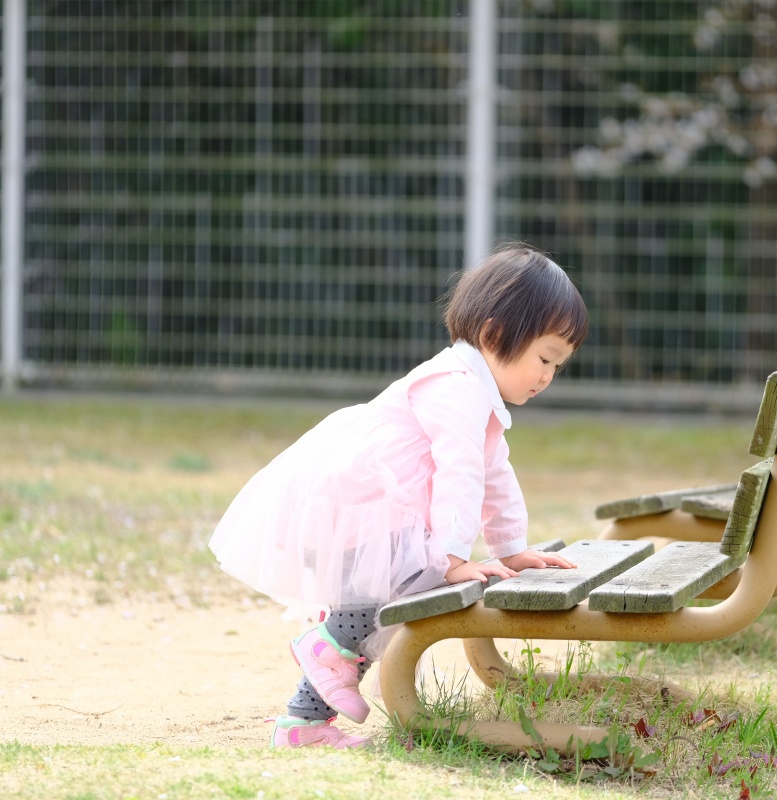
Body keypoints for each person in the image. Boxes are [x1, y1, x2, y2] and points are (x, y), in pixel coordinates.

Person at [209, 244, 588, 749]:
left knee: (367, 610)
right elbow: (461, 473)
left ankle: (303, 725)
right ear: (496, 335)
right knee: (381, 599)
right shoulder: (456, 387)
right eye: (544, 358)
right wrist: (452, 558)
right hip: (353, 508)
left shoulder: (480, 396)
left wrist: (510, 548)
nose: (547, 376)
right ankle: (323, 651)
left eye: (557, 366)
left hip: (371, 516)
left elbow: (494, 474)